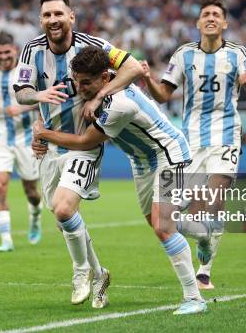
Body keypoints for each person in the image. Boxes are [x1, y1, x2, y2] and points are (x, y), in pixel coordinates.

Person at [34, 45, 206, 315]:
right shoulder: (104, 90)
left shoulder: (120, 104)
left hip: (169, 154)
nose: (80, 89)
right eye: (77, 82)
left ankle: (194, 298)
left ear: (105, 78)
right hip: (141, 162)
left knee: (163, 226)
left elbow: (83, 141)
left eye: (86, 83)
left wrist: (43, 133)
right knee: (158, 223)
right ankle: (202, 231)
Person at [13, 0, 143, 309]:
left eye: (59, 14)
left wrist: (99, 97)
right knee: (63, 219)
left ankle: (81, 271)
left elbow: (134, 68)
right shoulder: (31, 50)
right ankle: (100, 274)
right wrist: (38, 97)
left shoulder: (93, 45)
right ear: (41, 19)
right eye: (46, 15)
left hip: (84, 142)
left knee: (64, 209)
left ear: (72, 16)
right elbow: (22, 93)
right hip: (50, 146)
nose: (53, 20)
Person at [141, 0, 246, 289]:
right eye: (205, 14)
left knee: (213, 201)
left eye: (216, 14)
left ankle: (204, 270)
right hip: (189, 141)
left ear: (224, 23)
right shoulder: (183, 55)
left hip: (226, 137)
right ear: (198, 23)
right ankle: (204, 238)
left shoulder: (239, 53)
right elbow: (163, 95)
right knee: (176, 213)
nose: (210, 18)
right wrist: (147, 79)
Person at [0, 31, 42, 252]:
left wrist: (22, 107)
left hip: (26, 138)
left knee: (31, 192)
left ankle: (35, 215)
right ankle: (6, 239)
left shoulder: (26, 72)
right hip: (0, 137)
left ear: (15, 50)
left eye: (7, 52)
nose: (3, 56)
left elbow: (42, 99)